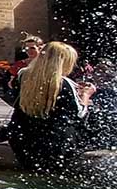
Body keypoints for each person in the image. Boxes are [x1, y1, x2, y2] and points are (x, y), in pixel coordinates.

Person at [7, 41, 114, 175]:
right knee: (104, 118)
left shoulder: (23, 75)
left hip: (23, 141)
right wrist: (85, 95)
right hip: (56, 145)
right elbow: (80, 115)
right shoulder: (64, 83)